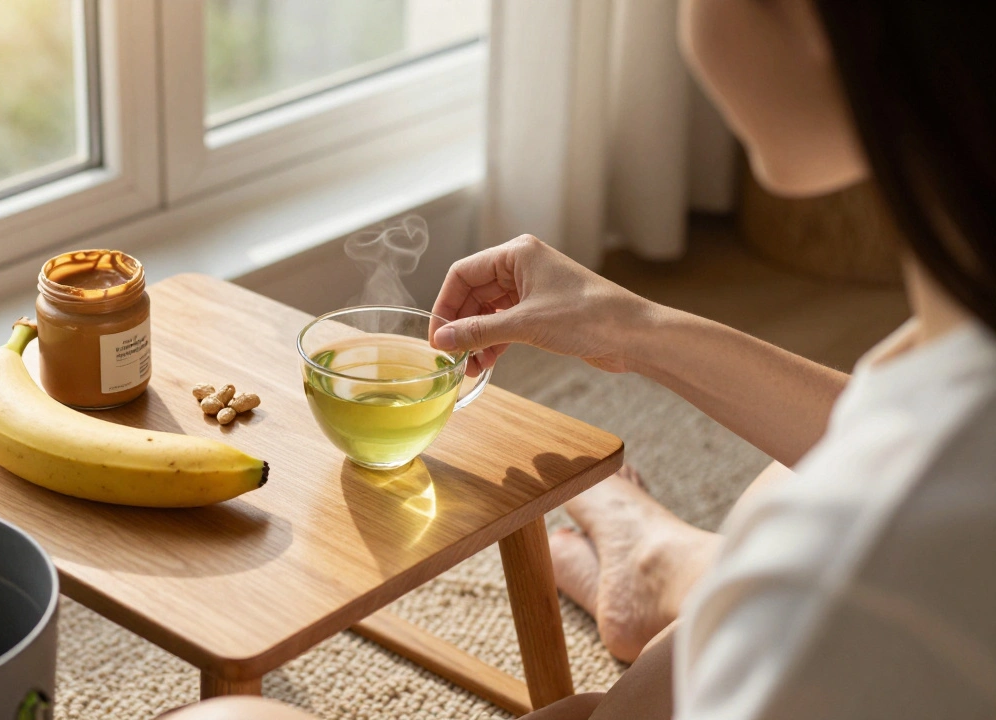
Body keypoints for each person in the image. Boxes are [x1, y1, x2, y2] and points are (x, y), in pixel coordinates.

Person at [170, 0, 996, 717]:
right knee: (797, 478)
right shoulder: (947, 398)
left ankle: (672, 567)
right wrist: (631, 326)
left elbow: (867, 519)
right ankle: (666, 563)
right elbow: (880, 440)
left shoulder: (852, 565)